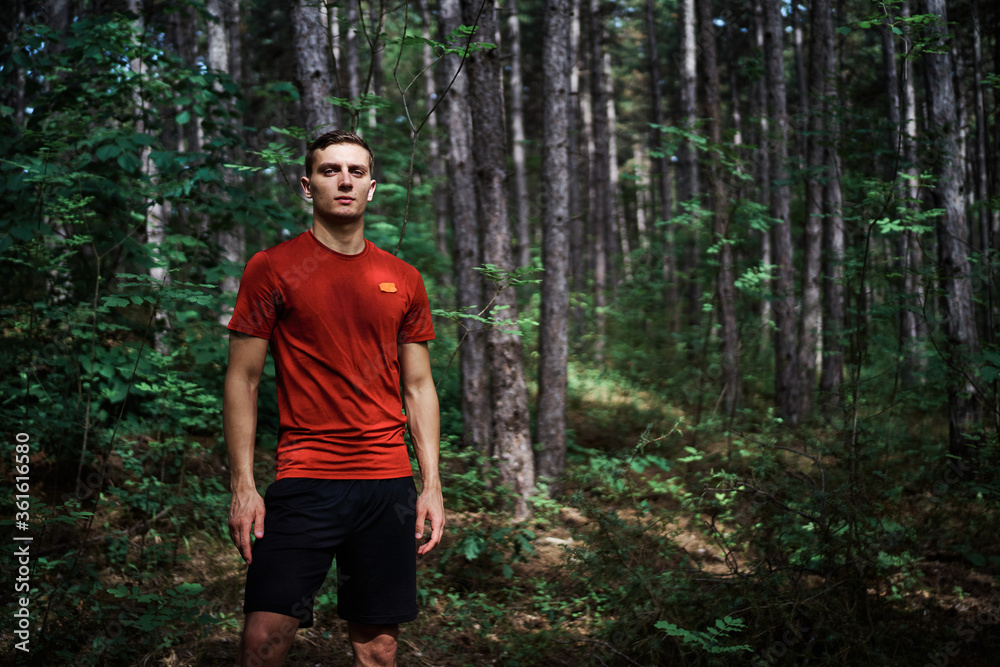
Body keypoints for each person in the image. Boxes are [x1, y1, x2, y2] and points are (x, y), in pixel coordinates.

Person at [224, 129, 445, 667]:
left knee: (379, 648)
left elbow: (418, 386)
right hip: (305, 482)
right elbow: (242, 380)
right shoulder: (271, 268)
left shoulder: (403, 278)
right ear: (308, 185)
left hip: (386, 484)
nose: (344, 180)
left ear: (373, 186)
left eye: (356, 171)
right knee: (265, 640)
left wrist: (432, 484)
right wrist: (244, 486)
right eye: (330, 171)